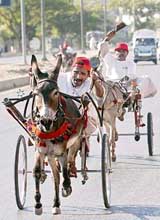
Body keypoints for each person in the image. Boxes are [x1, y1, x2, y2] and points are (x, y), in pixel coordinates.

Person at [57, 56, 105, 176]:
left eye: (82, 74)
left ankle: (71, 158)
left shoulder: (90, 82)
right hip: (60, 117)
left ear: (88, 75)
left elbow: (100, 95)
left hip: (82, 118)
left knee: (81, 131)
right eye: (76, 72)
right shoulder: (61, 78)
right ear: (71, 70)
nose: (78, 76)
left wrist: (97, 82)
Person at [98, 30, 137, 120]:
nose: (121, 53)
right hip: (109, 84)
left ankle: (120, 110)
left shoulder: (130, 64)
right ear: (115, 52)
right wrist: (107, 39)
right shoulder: (110, 60)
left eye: (123, 51)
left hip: (124, 86)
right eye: (119, 51)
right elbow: (102, 50)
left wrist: (124, 81)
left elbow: (132, 75)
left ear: (127, 53)